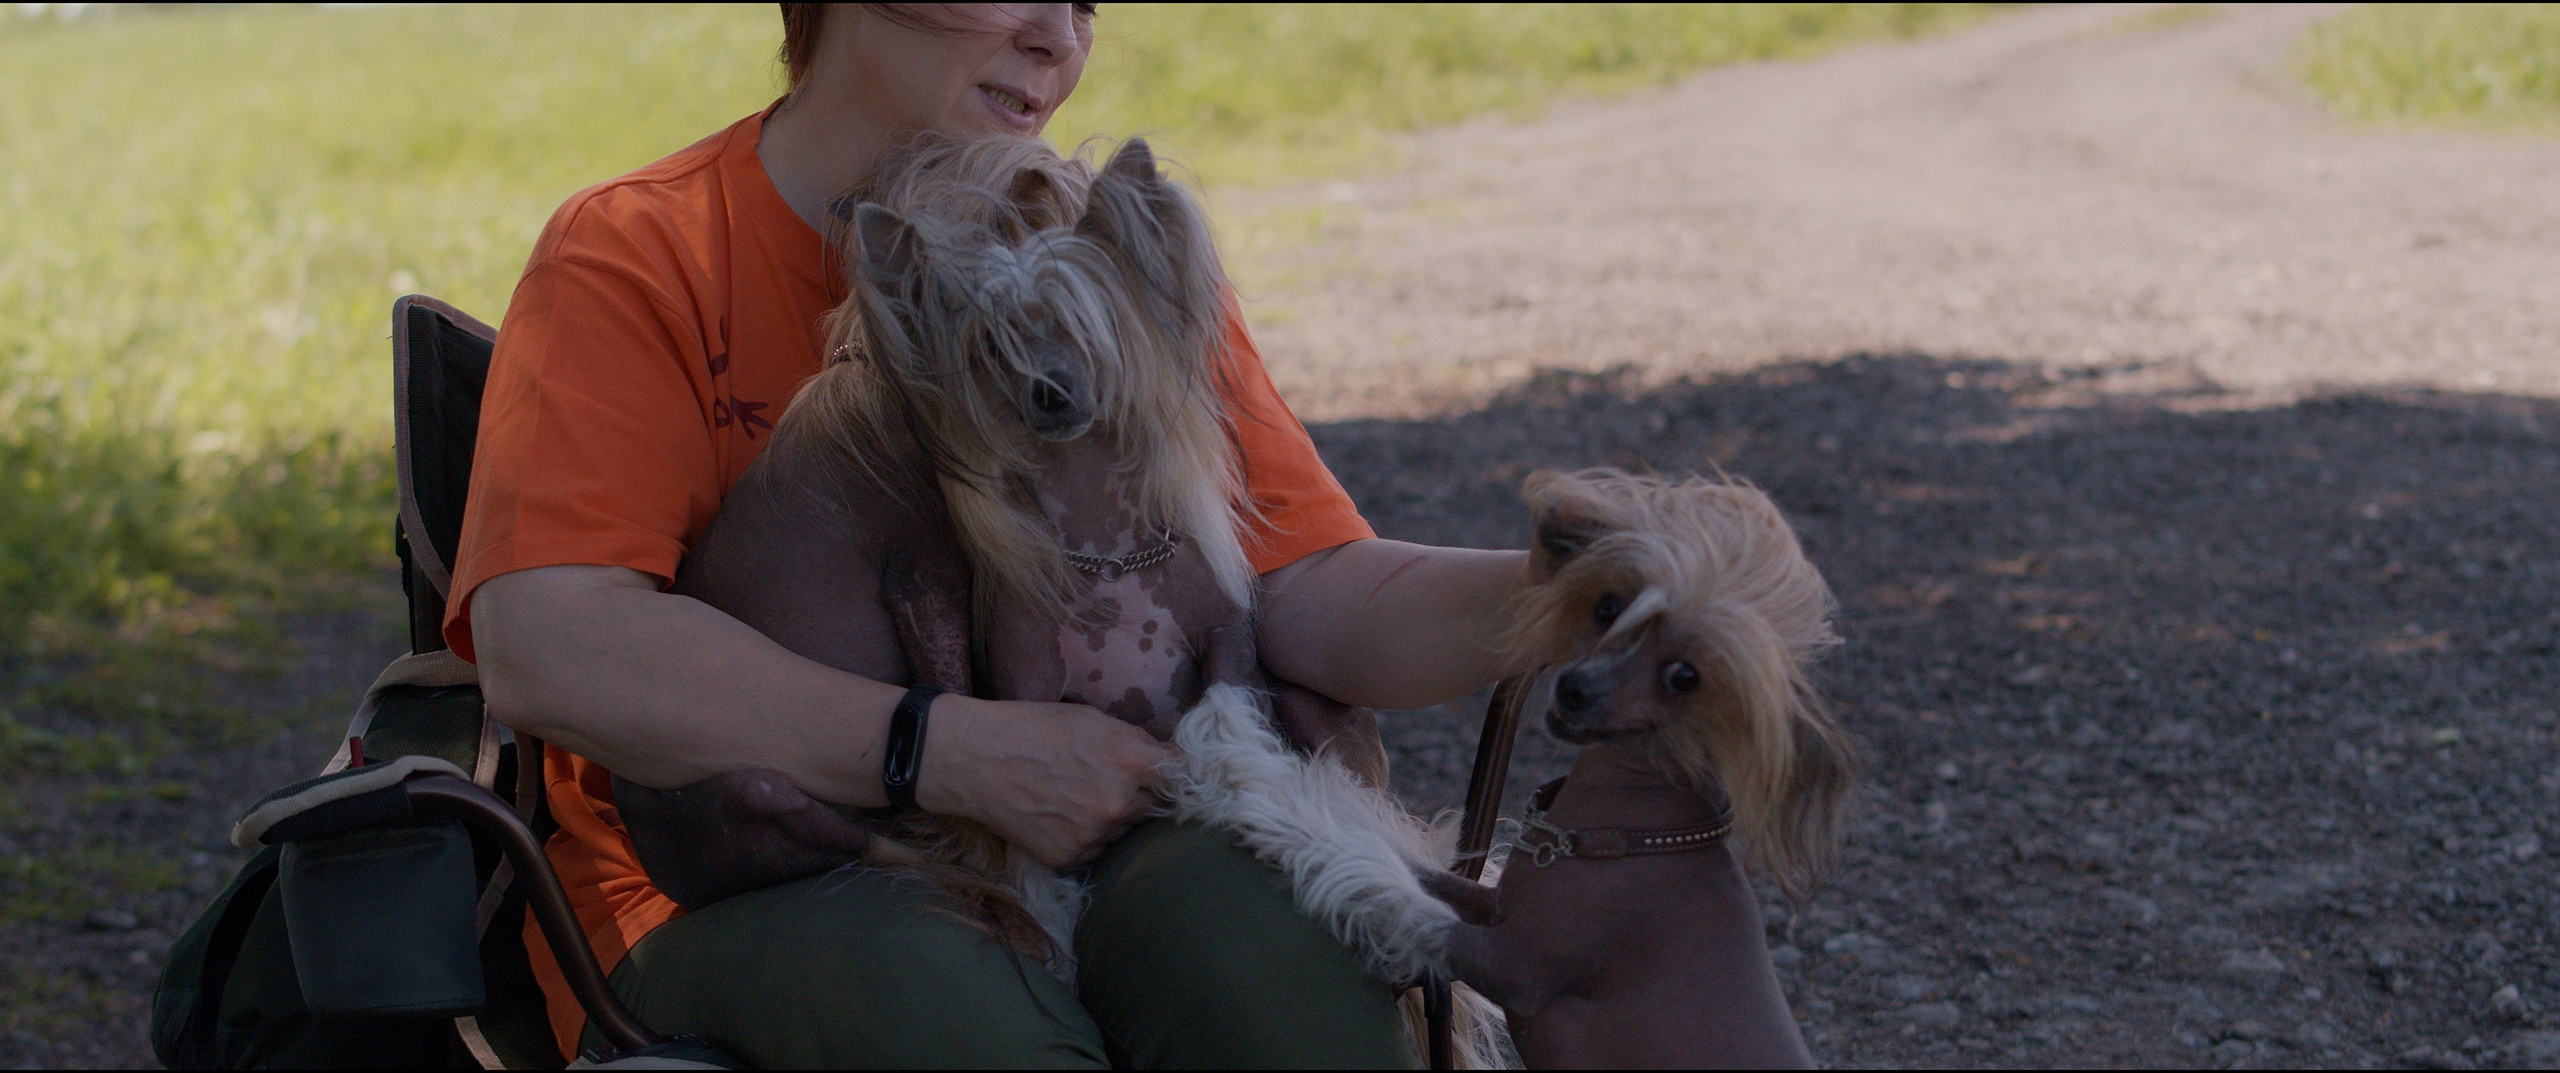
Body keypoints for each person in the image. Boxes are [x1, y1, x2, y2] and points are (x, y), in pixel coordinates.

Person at [454, 4, 1528, 1066]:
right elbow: (550, 641)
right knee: (968, 1023)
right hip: (728, 890)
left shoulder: (1103, 263)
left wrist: (1574, 587)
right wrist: (948, 754)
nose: (1059, 38)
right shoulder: (638, 252)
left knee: (1275, 968)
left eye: (1085, 6)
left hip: (1106, 833)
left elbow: (1303, 582)